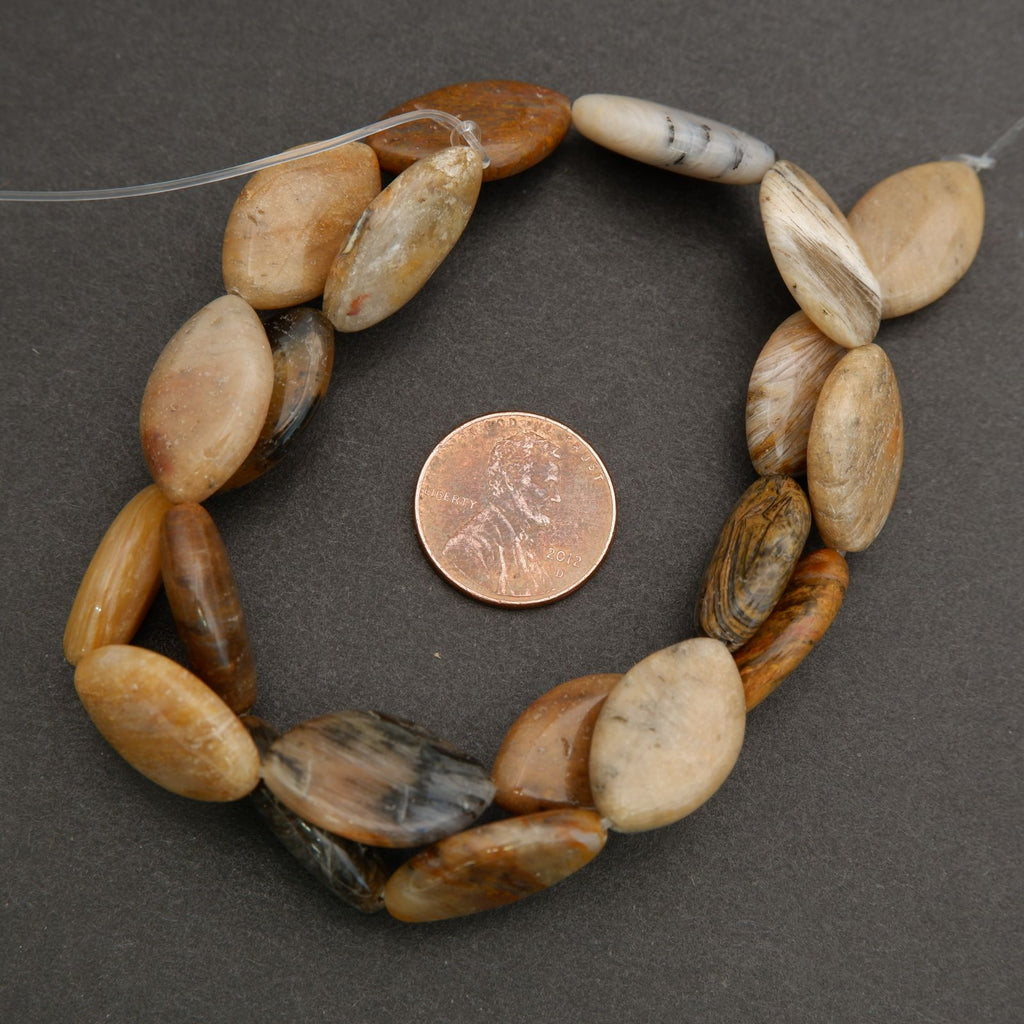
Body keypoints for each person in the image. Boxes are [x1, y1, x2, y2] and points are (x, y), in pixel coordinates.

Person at [442, 432, 561, 597]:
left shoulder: (522, 540)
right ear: (512, 477)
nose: (556, 497)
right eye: (547, 484)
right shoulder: (467, 548)